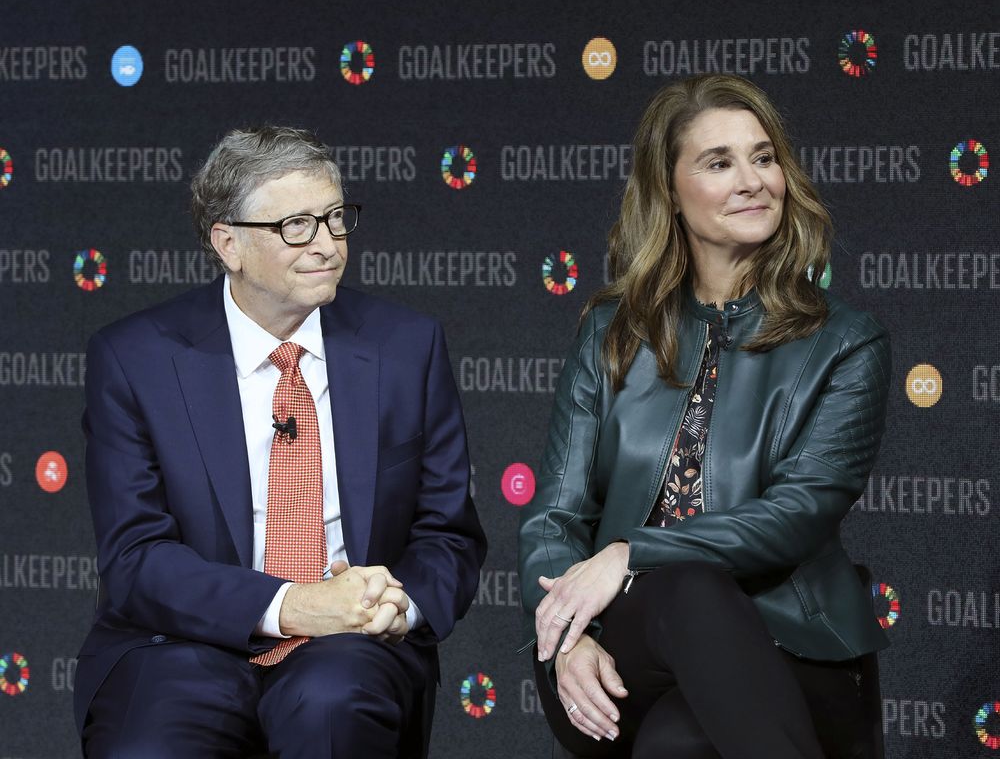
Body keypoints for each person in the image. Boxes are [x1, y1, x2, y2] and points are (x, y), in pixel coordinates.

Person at [74, 126, 487, 758]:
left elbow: (448, 535)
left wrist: (395, 607)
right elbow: (137, 558)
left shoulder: (406, 347)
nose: (326, 244)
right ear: (229, 244)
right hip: (178, 642)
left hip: (350, 644)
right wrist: (292, 605)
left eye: (335, 218)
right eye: (297, 225)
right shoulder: (135, 358)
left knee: (332, 706)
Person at [518, 74, 890, 759]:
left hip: (790, 645)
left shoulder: (844, 341)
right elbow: (555, 517)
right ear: (669, 191)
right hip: (618, 650)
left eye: (763, 157)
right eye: (719, 163)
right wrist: (571, 639)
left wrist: (632, 552)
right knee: (686, 593)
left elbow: (798, 514)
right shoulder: (611, 332)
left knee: (678, 743)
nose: (753, 181)